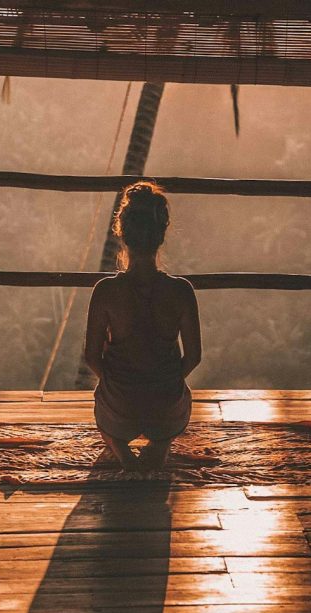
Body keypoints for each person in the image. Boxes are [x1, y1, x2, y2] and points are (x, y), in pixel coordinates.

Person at [83, 181, 201, 471]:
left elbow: (91, 356)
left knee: (106, 411)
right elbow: (194, 356)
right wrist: (165, 380)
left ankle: (121, 450)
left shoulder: (106, 291)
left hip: (121, 406)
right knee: (175, 401)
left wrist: (117, 383)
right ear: (161, 234)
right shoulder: (181, 291)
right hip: (165, 406)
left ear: (122, 233)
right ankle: (161, 443)